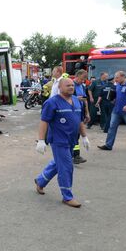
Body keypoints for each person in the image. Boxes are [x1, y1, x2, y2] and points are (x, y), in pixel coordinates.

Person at [34, 77, 89, 208]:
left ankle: (41, 181)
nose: (71, 87)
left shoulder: (77, 101)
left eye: (72, 85)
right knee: (66, 167)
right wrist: (41, 140)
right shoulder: (52, 103)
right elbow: (44, 121)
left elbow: (79, 121)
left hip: (71, 140)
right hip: (58, 140)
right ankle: (67, 196)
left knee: (59, 163)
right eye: (68, 85)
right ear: (59, 87)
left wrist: (84, 137)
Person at [98, 71, 126, 151]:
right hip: (117, 110)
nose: (115, 79)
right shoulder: (118, 85)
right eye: (115, 77)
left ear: (123, 76)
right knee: (112, 127)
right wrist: (114, 100)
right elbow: (119, 96)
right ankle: (108, 145)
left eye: (117, 77)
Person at [72, 69, 90, 164]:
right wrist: (75, 98)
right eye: (82, 78)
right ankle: (75, 155)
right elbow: (64, 97)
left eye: (85, 79)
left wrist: (87, 113)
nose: (83, 81)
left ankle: (75, 155)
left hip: (81, 111)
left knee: (77, 134)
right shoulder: (70, 85)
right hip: (72, 112)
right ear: (77, 76)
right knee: (74, 134)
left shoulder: (82, 86)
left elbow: (85, 100)